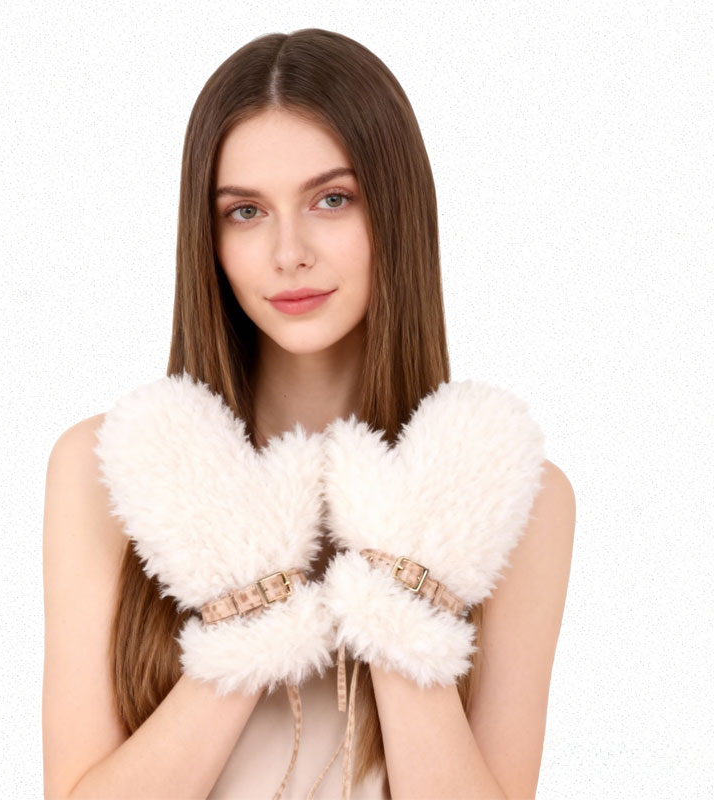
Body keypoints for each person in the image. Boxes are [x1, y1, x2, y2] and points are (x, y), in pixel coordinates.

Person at [42, 27, 576, 799]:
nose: (288, 252)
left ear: (395, 211)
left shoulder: (512, 495)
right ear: (208, 238)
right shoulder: (110, 468)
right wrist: (250, 618)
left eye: (332, 200)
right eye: (245, 212)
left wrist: (401, 601)